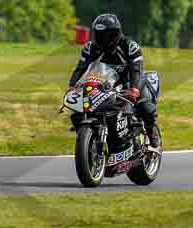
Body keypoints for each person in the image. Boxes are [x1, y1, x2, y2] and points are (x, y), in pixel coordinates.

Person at [68, 13, 160, 148]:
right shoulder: (90, 48)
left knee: (144, 107)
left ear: (115, 33)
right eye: (98, 34)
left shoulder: (129, 46)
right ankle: (88, 139)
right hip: (104, 86)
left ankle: (151, 131)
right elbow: (81, 68)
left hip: (129, 83)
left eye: (106, 35)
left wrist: (133, 89)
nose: (102, 38)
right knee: (78, 111)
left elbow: (136, 70)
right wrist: (72, 86)